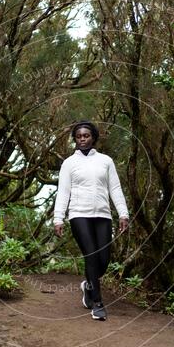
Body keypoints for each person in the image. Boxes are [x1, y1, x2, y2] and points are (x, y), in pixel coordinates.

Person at [53, 121, 130, 320]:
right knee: (91, 255)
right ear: (75, 140)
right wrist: (58, 218)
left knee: (103, 260)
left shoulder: (106, 161)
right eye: (79, 137)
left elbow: (115, 188)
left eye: (86, 136)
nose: (83, 139)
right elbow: (63, 191)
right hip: (79, 214)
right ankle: (97, 303)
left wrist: (123, 213)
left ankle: (88, 286)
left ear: (93, 137)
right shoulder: (69, 163)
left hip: (103, 215)